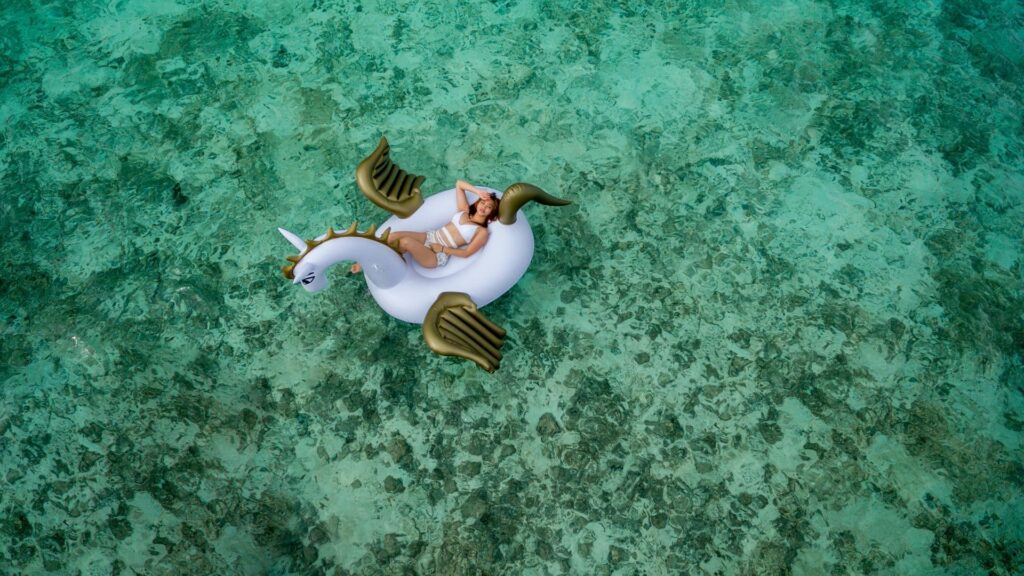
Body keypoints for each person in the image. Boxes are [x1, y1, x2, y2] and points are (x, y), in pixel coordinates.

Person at [351, 180, 500, 272]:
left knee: (405, 242)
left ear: (491, 213)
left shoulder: (481, 231)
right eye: (483, 202)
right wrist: (478, 191)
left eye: (489, 207)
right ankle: (368, 259)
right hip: (431, 236)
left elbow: (467, 253)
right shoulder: (464, 211)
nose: (484, 207)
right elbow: (459, 184)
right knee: (392, 235)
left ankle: (375, 261)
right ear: (479, 201)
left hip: (437, 254)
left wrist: (442, 249)